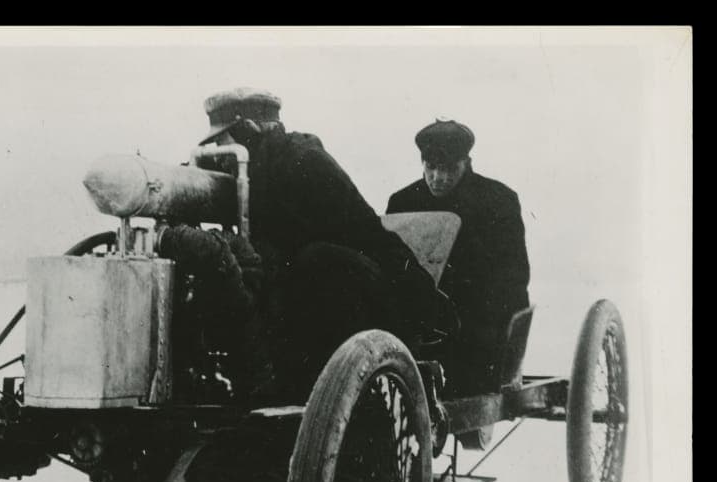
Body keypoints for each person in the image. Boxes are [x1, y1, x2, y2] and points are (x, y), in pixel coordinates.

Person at [157, 88, 446, 401]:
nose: (218, 151)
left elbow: (369, 237)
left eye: (223, 140)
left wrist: (423, 311)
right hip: (306, 300)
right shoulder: (250, 166)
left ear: (248, 131)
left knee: (315, 262)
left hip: (351, 301)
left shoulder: (306, 161)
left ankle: (305, 390)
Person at [386, 120, 531, 395]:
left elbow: (513, 277)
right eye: (431, 167)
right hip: (423, 315)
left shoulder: (498, 201)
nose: (438, 178)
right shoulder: (403, 202)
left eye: (449, 169)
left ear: (466, 162)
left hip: (477, 319)